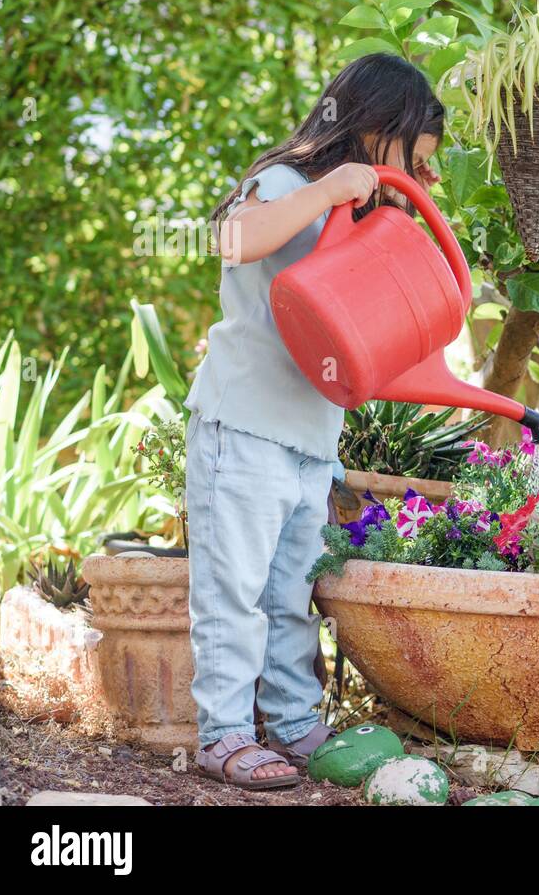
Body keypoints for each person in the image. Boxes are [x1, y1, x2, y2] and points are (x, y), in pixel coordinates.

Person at [184, 53, 444, 789]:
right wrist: (330, 188)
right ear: (371, 128)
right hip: (243, 430)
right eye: (411, 157)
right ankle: (226, 732)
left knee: (290, 593)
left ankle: (294, 721)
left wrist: (393, 208)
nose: (417, 174)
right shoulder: (287, 184)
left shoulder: (363, 217)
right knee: (232, 591)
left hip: (308, 441)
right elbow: (231, 240)